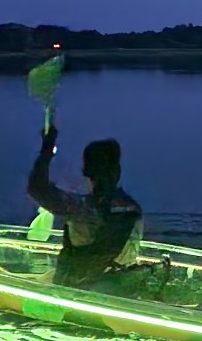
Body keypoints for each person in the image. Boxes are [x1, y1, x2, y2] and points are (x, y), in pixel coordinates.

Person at [27, 120, 143, 288]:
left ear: (86, 171)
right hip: (119, 287)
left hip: (84, 291)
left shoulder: (79, 208)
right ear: (117, 171)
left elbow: (37, 188)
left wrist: (47, 150)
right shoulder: (132, 208)